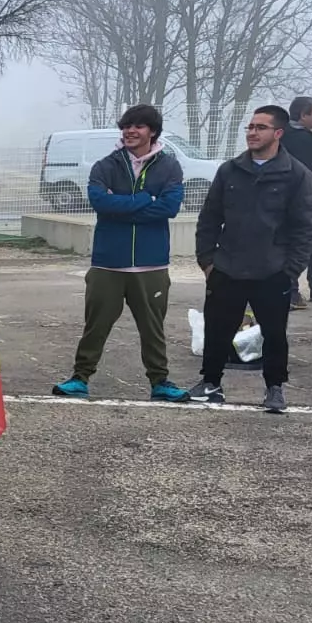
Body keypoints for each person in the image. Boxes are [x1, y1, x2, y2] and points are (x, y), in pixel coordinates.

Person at [52, 105, 191, 402]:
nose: (130, 131)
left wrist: (124, 205)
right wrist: (145, 199)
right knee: (95, 326)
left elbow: (169, 208)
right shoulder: (105, 166)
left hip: (151, 264)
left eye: (138, 126)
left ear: (152, 131)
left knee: (153, 329)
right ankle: (80, 378)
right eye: (127, 125)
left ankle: (160, 382)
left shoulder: (169, 166)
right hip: (108, 263)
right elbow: (101, 203)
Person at [188, 105, 312, 413]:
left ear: (278, 133)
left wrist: (290, 270)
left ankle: (274, 388)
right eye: (250, 127)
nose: (252, 132)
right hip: (227, 267)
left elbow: (306, 228)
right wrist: (207, 261)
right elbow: (209, 218)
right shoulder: (230, 170)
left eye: (260, 127)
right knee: (218, 329)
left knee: (274, 333)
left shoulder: (297, 175)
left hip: (272, 271)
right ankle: (210, 382)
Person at [281, 95, 312, 306]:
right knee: (303, 244)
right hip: (300, 200)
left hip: (284, 198)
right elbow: (311, 169)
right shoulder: (303, 139)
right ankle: (293, 291)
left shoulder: (283, 134)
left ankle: (292, 291)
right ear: (303, 115)